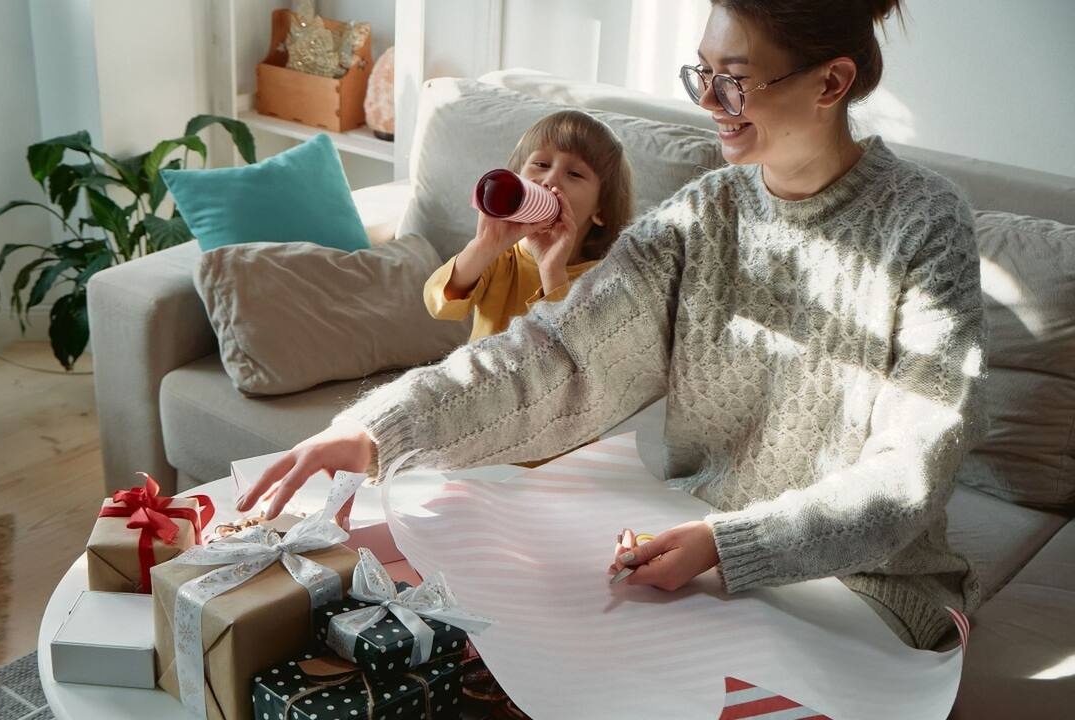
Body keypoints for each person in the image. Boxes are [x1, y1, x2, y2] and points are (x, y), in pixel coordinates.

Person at [238, 0, 986, 652]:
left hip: (865, 588)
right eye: (702, 74)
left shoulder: (924, 223)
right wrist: (379, 429)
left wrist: (728, 545)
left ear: (832, 82)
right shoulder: (700, 217)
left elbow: (908, 474)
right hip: (697, 557)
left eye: (736, 79)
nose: (711, 101)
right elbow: (559, 355)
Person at [424, 110, 634, 342]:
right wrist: (484, 246)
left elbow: (575, 350)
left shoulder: (603, 278)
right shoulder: (500, 257)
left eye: (574, 174)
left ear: (601, 210)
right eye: (541, 164)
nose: (550, 180)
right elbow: (439, 305)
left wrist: (552, 271)